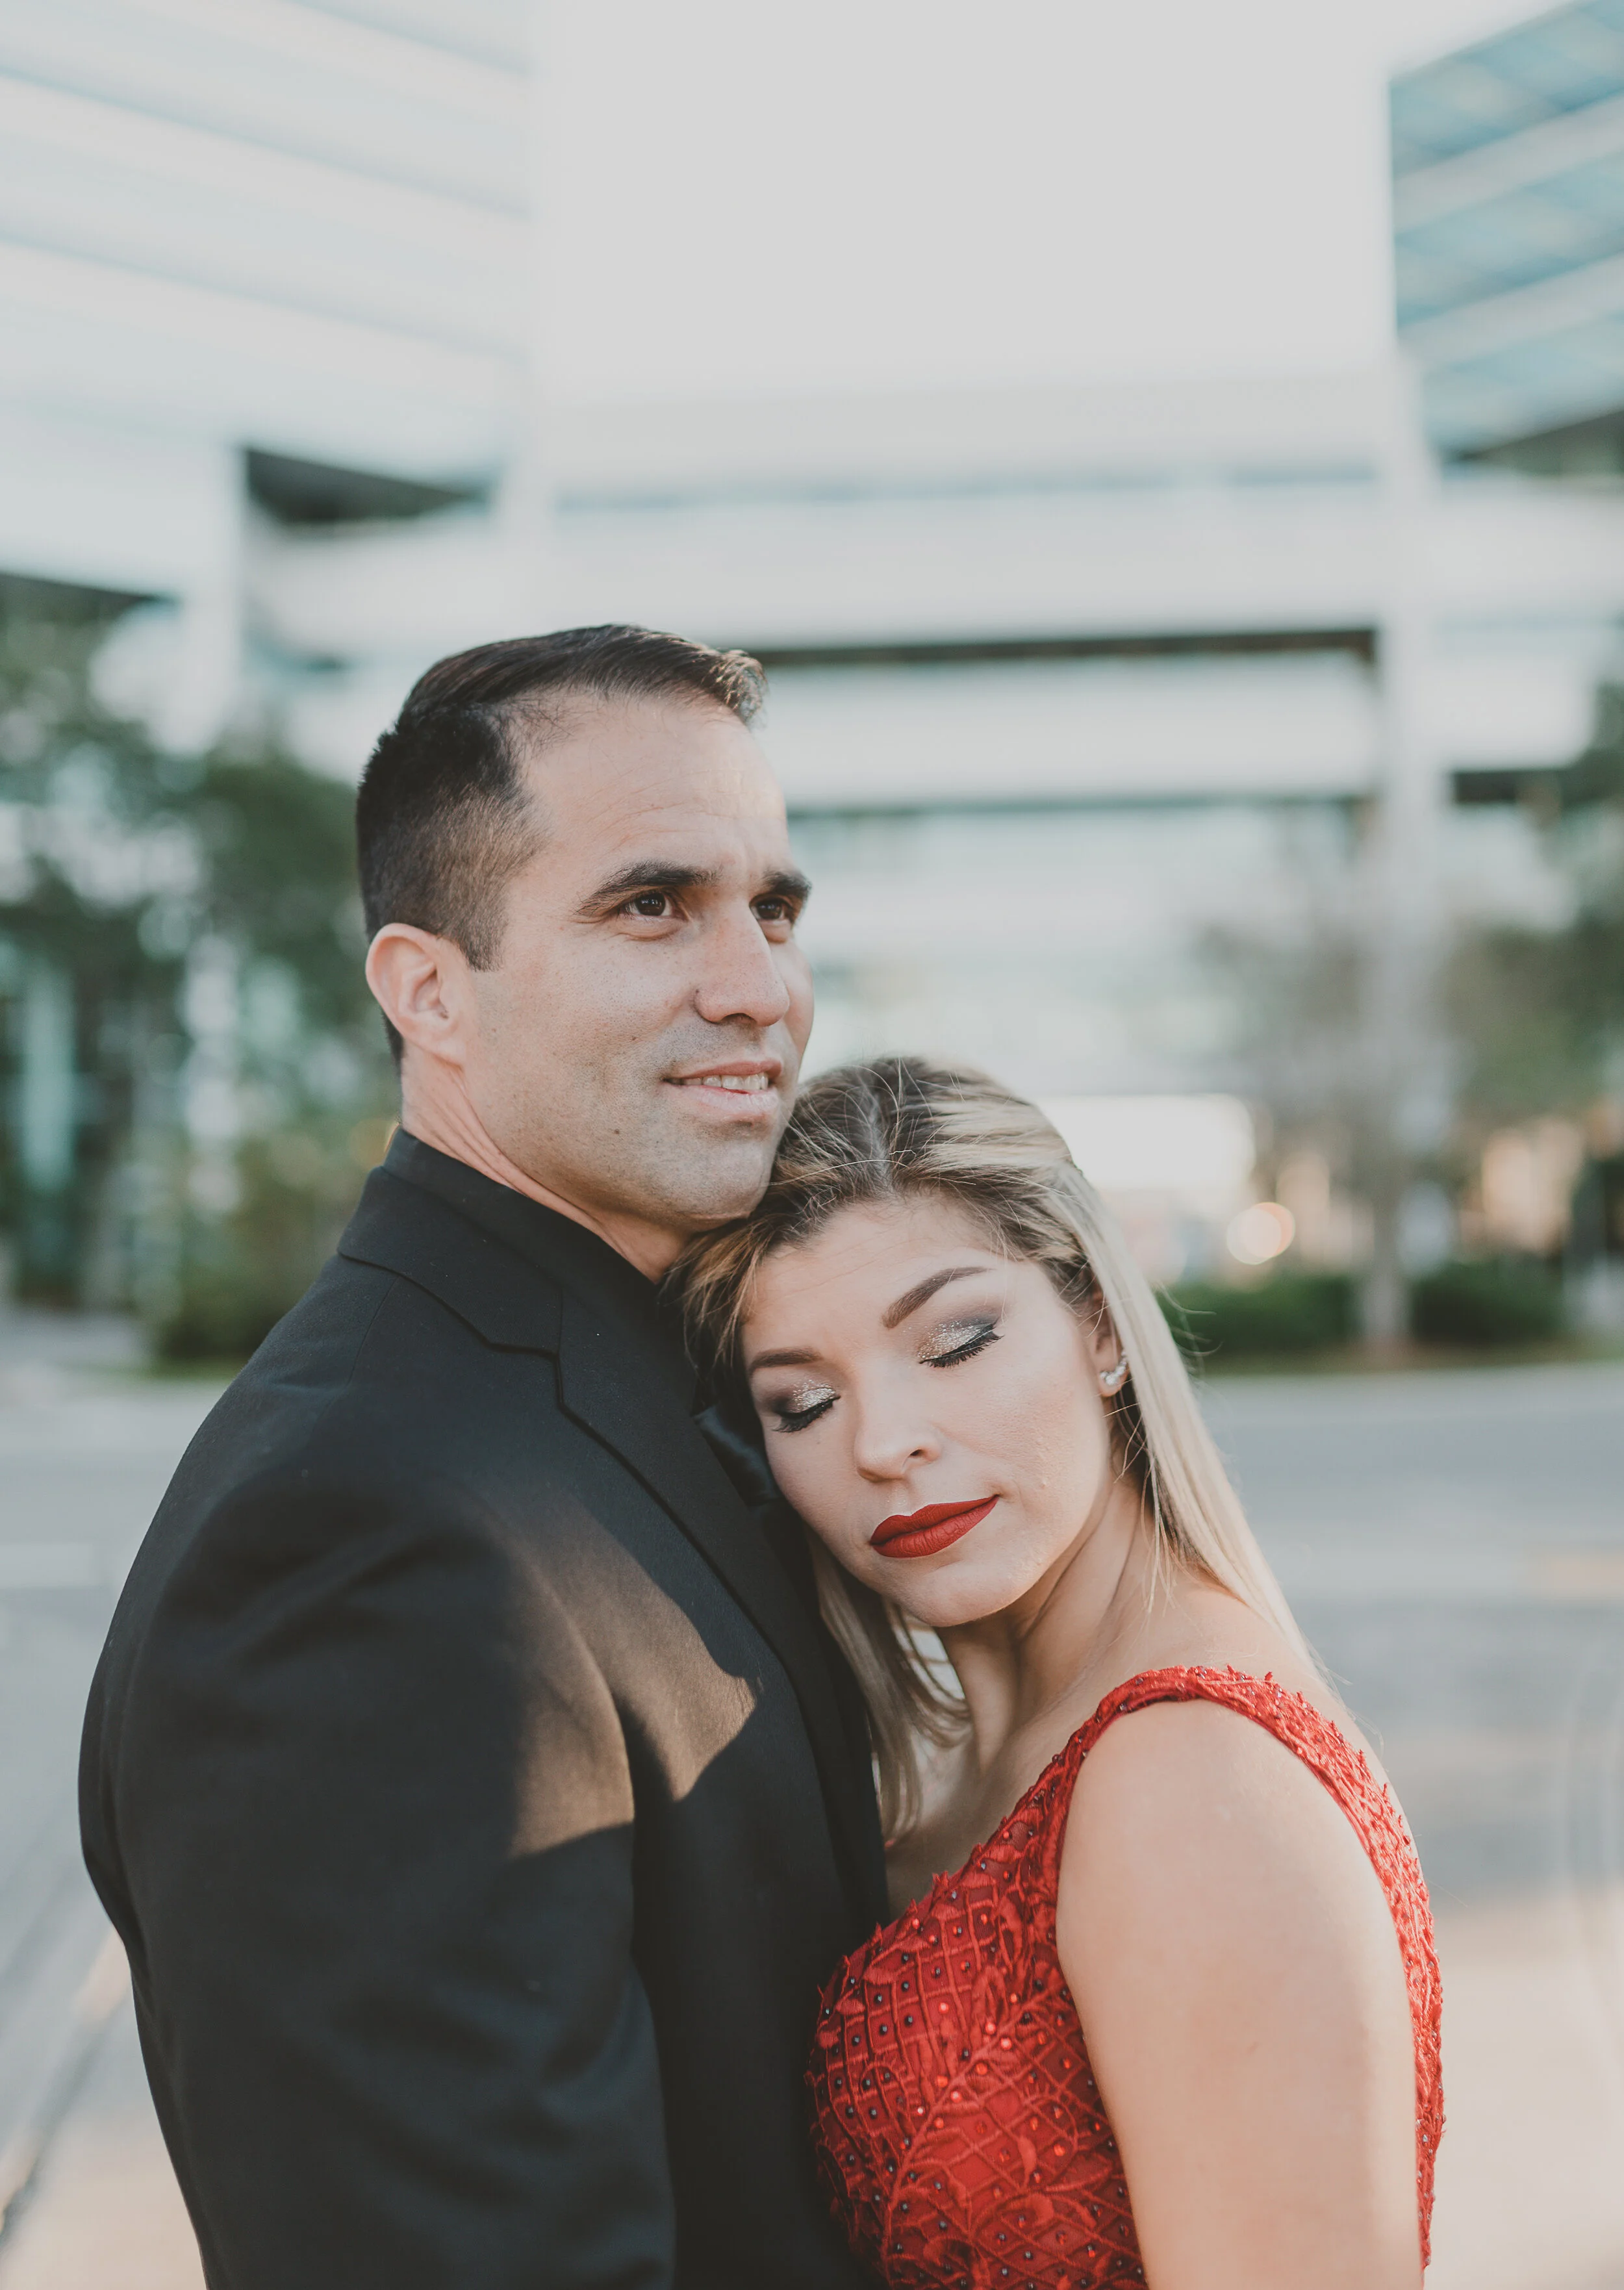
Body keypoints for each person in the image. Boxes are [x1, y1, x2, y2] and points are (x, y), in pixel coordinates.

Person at [79, 627, 888, 2289]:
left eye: (773, 907)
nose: (756, 985)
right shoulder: (359, 1534)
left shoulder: (660, 1373)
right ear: (427, 990)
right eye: (651, 905)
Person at [678, 1057, 1443, 2290]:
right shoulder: (970, 1769)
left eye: (956, 1342)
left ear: (1100, 1325)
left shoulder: (1190, 1777)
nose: (886, 1443)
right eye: (804, 1403)